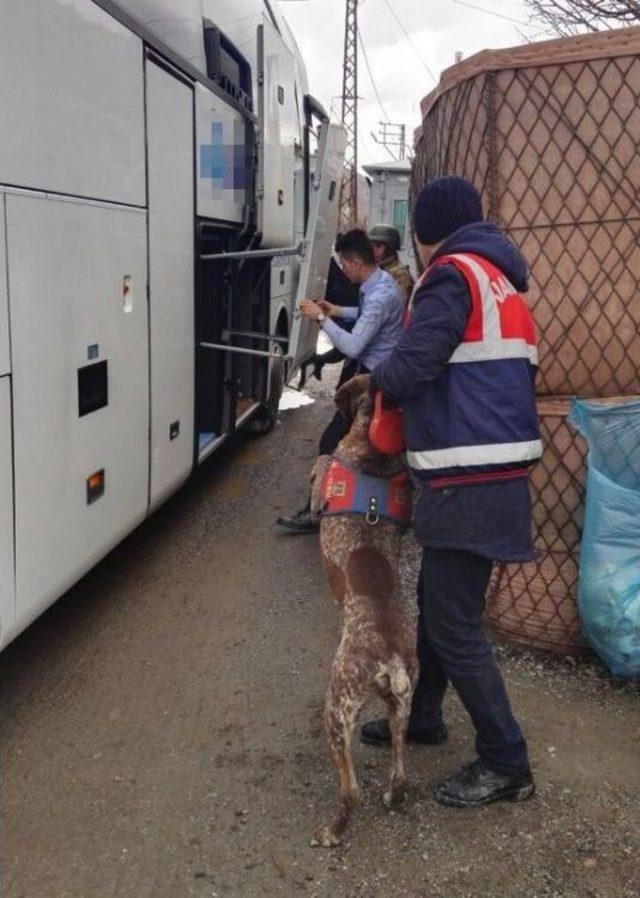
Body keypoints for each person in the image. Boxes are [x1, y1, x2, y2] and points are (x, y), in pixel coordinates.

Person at [359, 176, 542, 808]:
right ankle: (428, 715)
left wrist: (372, 378)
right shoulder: (502, 283)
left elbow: (412, 367)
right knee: (438, 600)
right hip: (495, 473)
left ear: (422, 233)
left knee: (456, 623)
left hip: (469, 477)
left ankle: (506, 761)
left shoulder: (449, 276)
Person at [276, 228, 404, 534]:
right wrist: (338, 309)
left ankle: (317, 511)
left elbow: (353, 346)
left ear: (355, 263)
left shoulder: (381, 294)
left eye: (344, 265)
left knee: (333, 442)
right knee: (358, 446)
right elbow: (367, 313)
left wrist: (321, 319)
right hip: (371, 374)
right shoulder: (380, 283)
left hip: (373, 381)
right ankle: (346, 506)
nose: (343, 270)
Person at [368, 223, 414, 305]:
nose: (373, 250)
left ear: (390, 248)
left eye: (378, 246)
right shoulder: (376, 270)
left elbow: (396, 306)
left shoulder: (399, 274)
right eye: (371, 246)